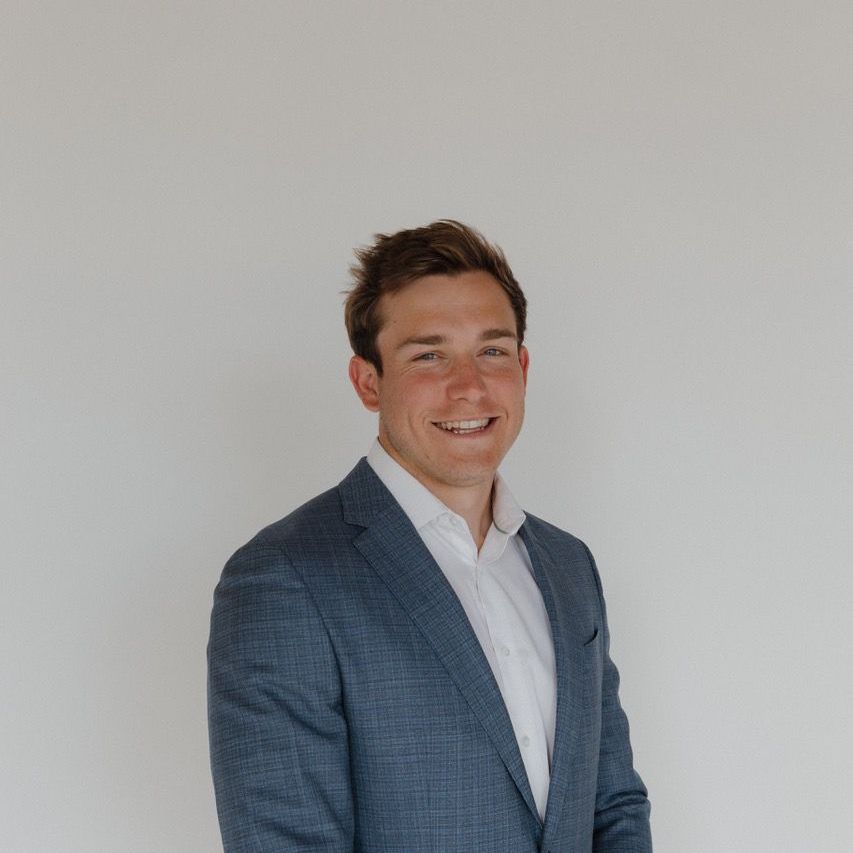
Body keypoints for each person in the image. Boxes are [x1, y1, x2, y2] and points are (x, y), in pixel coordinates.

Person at [207, 220, 652, 852]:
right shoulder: (286, 577)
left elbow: (614, 805)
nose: (468, 385)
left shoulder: (567, 565)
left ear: (523, 367)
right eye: (429, 355)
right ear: (369, 381)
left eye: (492, 350)